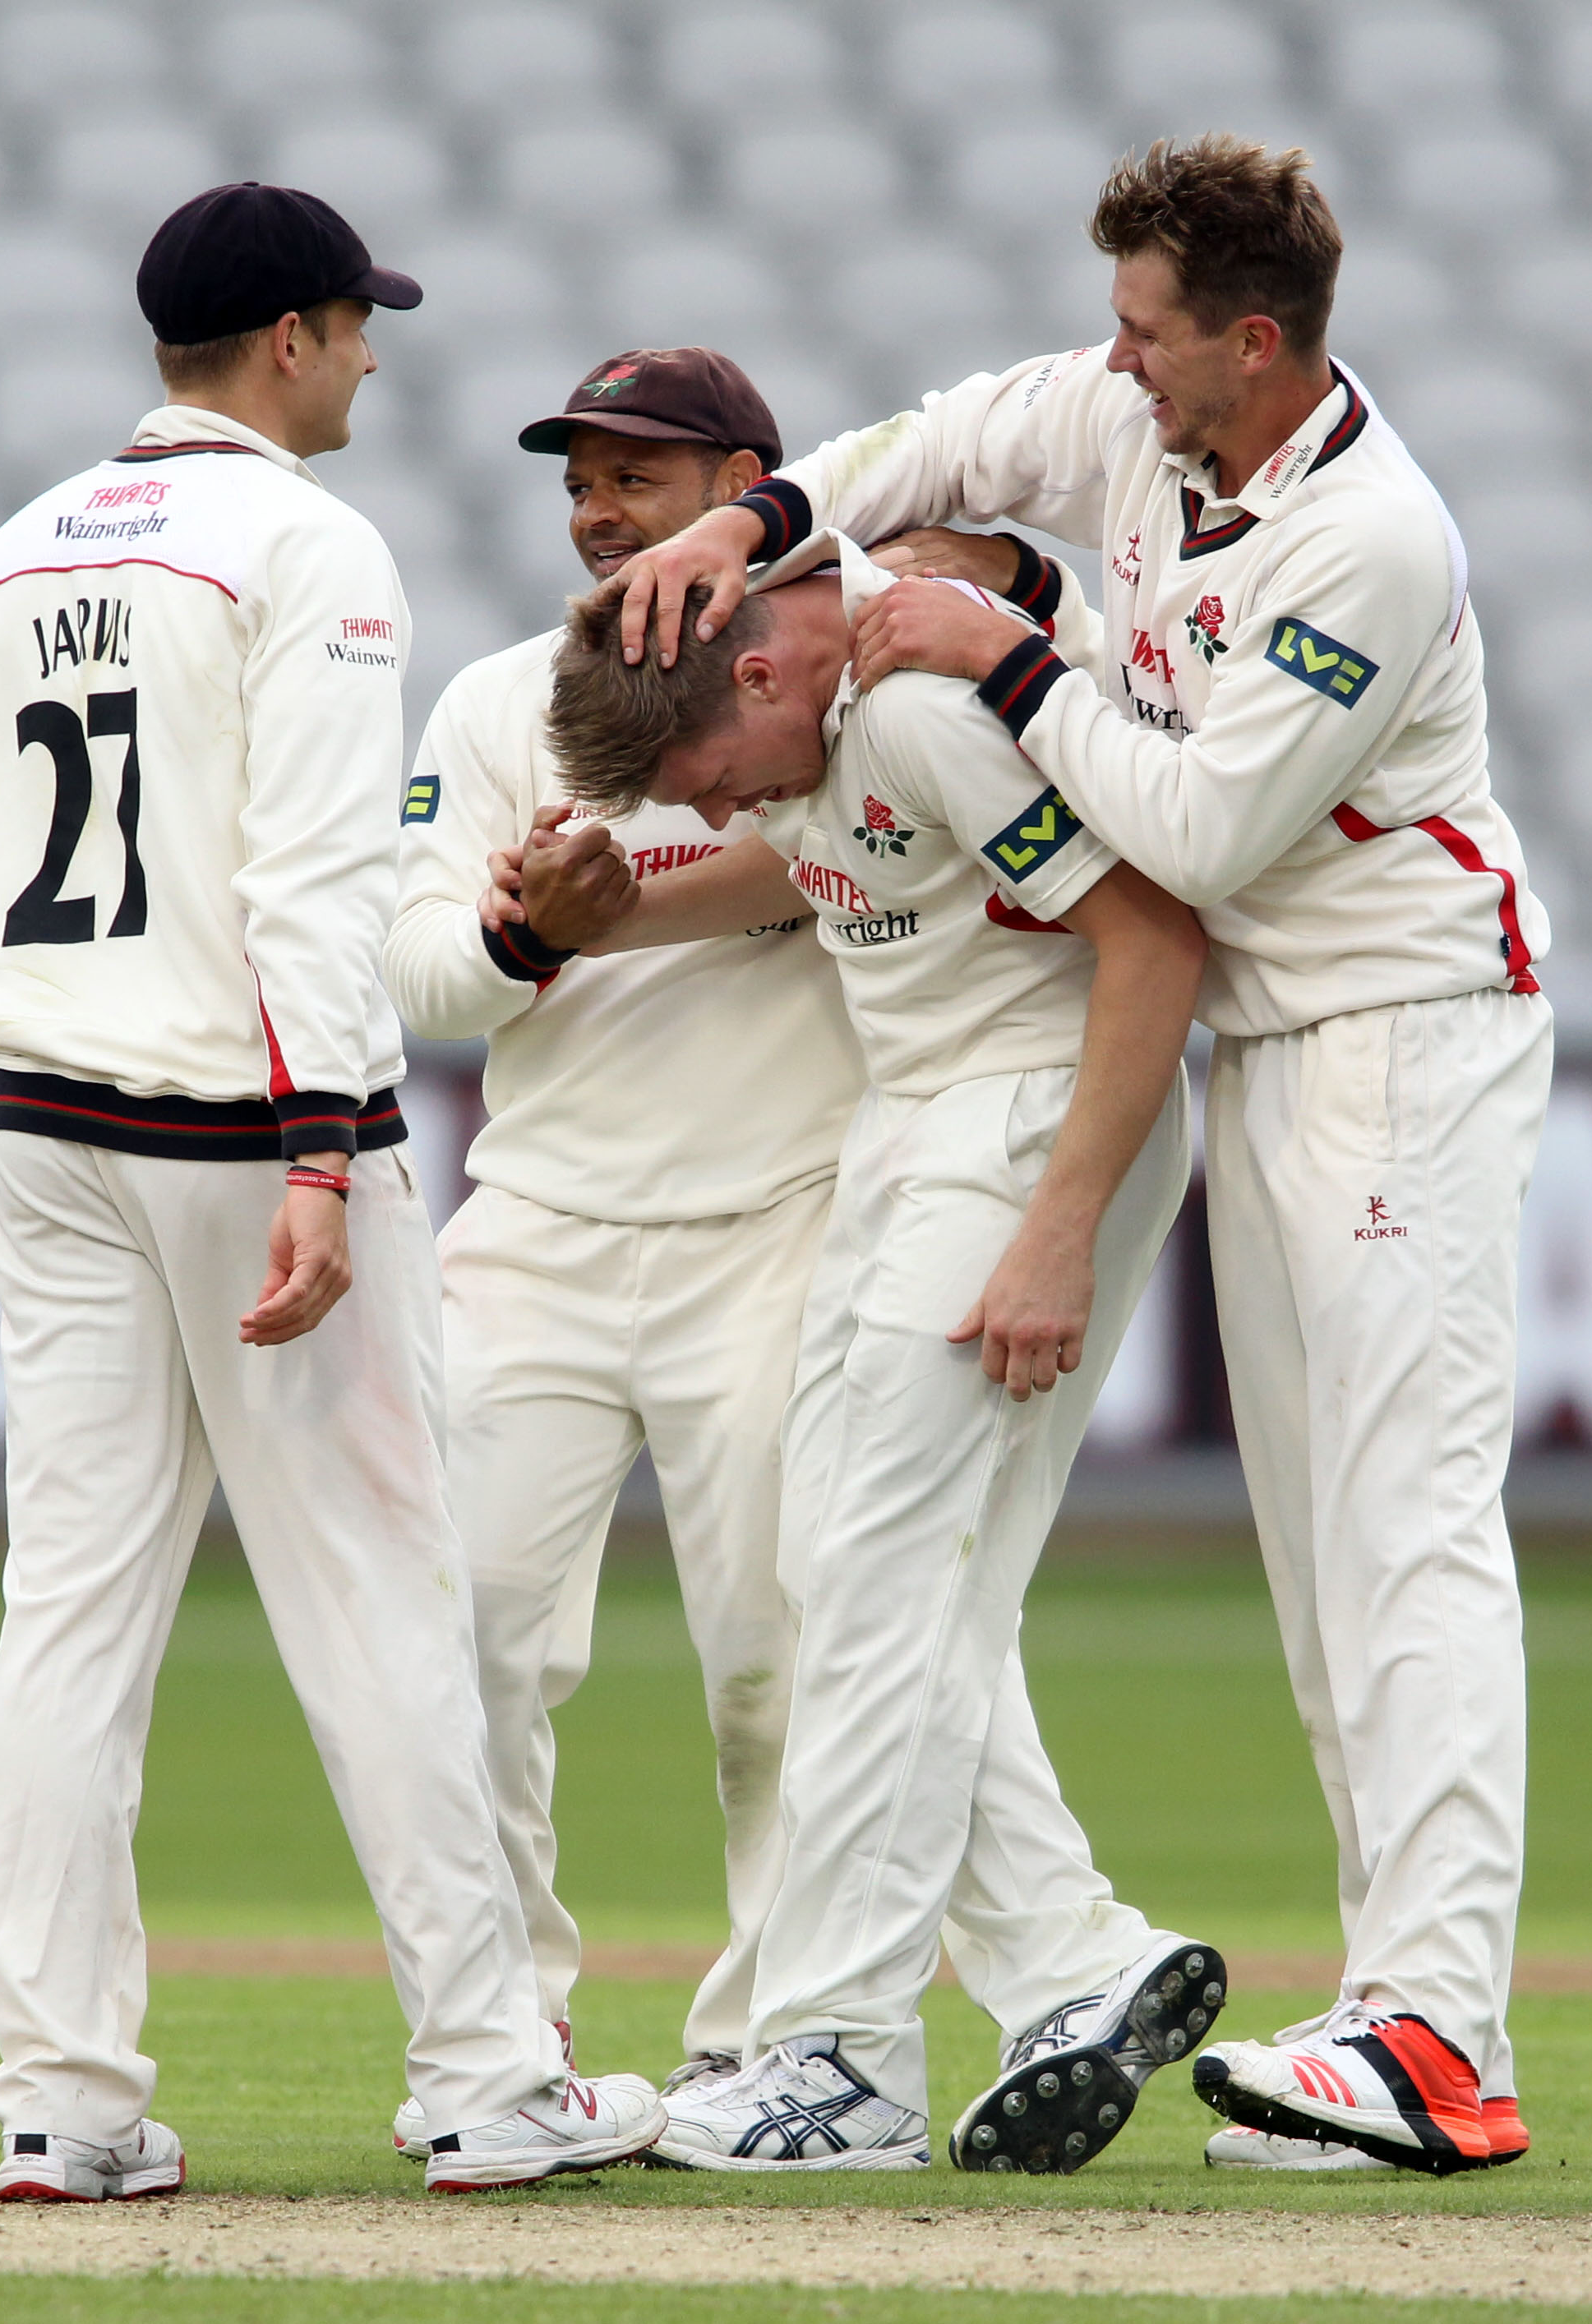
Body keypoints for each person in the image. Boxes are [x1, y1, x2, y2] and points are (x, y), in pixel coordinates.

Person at [611, 136, 1548, 2177]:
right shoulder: (1145, 423)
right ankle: (1364, 2015)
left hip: (1402, 1024)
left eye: (1145, 332)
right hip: (1272, 1042)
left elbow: (1199, 837)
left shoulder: (1373, 539)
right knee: (1321, 1553)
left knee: (1400, 1523)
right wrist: (756, 522)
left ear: (1255, 340)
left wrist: (1007, 651)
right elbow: (930, 444)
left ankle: (1439, 2029)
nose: (1111, 364)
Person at [0, 181, 661, 2201]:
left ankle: (64, 2103)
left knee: (67, 1616)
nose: (367, 358)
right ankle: (487, 2073)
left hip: (43, 1115)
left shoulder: (5, 557)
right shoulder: (306, 544)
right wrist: (325, 1152)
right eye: (356, 326)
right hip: (243, 1126)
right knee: (384, 1600)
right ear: (287, 340)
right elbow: (316, 884)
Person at [380, 348, 1114, 2125]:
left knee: (785, 1667)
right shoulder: (504, 702)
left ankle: (774, 2048)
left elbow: (957, 798)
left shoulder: (845, 691)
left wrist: (1006, 574)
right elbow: (414, 978)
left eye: (635, 478)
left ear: (744, 493)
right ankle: (508, 2045)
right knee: (461, 1645)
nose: (596, 513)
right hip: (539, 1227)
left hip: (784, 1215)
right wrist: (528, 937)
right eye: (578, 483)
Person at [536, 528, 1225, 2175]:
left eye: (715, 777)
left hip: (1023, 1124)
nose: (721, 811)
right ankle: (1074, 1957)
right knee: (837, 1573)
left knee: (886, 1582)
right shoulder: (805, 740)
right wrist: (600, 921)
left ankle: (840, 2057)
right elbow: (821, 862)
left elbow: (1155, 943)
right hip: (913, 1128)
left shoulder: (913, 712)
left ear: (760, 669)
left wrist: (1056, 1226)